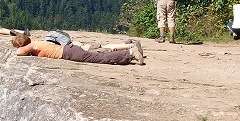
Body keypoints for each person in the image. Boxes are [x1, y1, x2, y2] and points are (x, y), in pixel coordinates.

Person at [12, 34, 144, 66]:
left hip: (70, 53)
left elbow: (19, 53)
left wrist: (23, 48)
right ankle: (127, 50)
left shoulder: (32, 45)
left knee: (100, 58)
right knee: (99, 53)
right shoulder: (37, 43)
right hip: (70, 49)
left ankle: (130, 53)